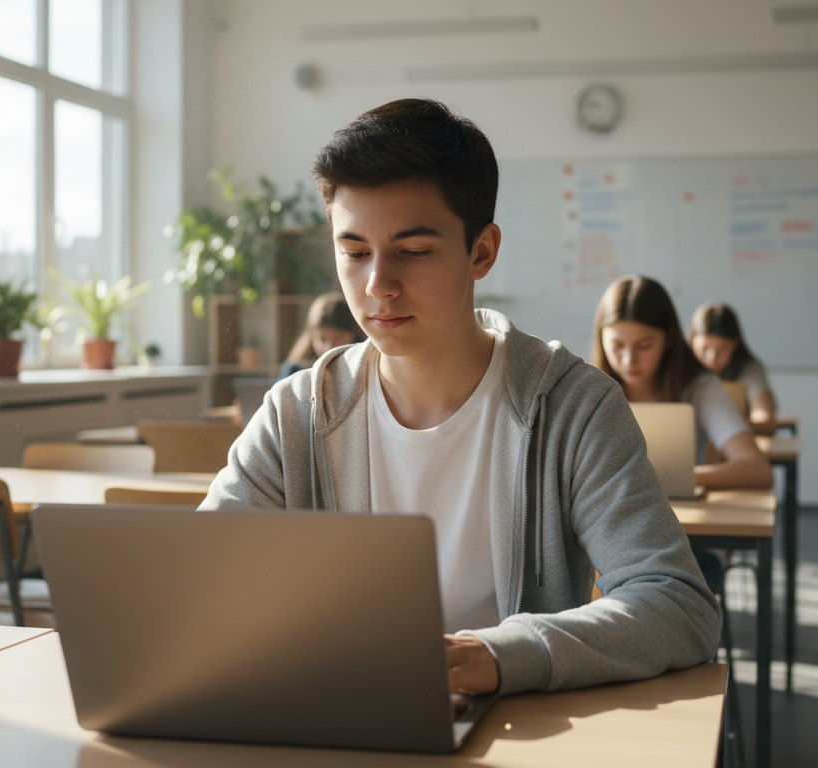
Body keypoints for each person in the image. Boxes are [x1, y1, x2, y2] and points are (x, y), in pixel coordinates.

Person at [201, 99, 720, 699]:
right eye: (355, 251)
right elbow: (203, 584)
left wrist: (499, 655)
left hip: (508, 730)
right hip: (335, 719)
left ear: (482, 251)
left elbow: (678, 604)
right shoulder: (298, 411)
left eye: (413, 251)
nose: (377, 287)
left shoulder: (574, 406)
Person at [592, 277, 773, 492]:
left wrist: (673, 479)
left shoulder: (698, 387)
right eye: (617, 345)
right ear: (601, 339)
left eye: (644, 345)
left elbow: (757, 469)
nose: (629, 360)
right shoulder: (588, 389)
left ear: (669, 338)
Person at [690, 302, 777, 430]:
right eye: (704, 349)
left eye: (722, 349)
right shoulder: (680, 368)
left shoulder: (748, 369)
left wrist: (725, 426)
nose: (712, 358)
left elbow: (765, 419)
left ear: (735, 343)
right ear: (691, 342)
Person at [277, 291, 365, 380]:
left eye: (338, 338)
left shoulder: (365, 369)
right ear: (311, 337)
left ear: (354, 335)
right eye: (322, 339)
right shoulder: (295, 372)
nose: (329, 348)